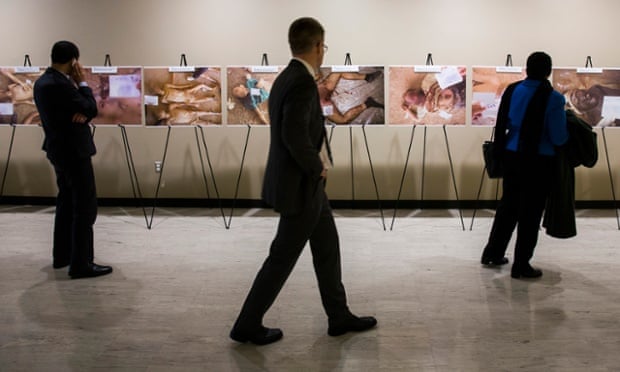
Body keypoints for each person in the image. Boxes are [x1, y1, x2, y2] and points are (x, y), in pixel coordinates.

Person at [230, 17, 377, 345]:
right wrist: (316, 167)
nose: (323, 51)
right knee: (281, 258)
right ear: (316, 46)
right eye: (323, 46)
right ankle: (247, 324)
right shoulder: (299, 81)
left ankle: (338, 316)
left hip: (304, 186)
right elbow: (294, 134)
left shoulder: (288, 77)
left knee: (327, 247)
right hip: (301, 185)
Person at [480, 52, 568, 279]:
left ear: (527, 69)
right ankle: (521, 265)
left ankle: (492, 253)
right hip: (538, 160)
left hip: (511, 154)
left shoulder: (513, 90)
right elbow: (559, 138)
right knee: (530, 213)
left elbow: (504, 122)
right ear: (548, 71)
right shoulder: (554, 98)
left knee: (508, 207)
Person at [33, 41, 113, 279]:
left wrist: (83, 110)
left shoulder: (42, 83)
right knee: (84, 207)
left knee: (66, 202)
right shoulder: (60, 85)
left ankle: (63, 255)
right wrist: (83, 84)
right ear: (74, 61)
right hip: (74, 151)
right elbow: (90, 107)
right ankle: (81, 263)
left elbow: (85, 111)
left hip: (58, 150)